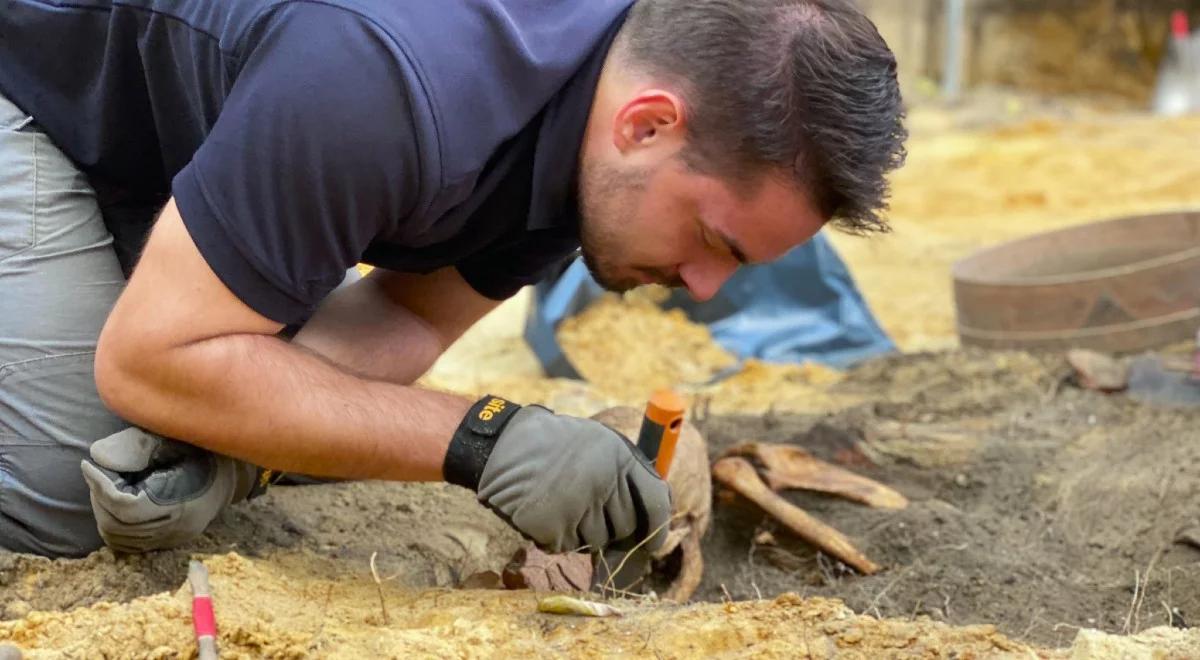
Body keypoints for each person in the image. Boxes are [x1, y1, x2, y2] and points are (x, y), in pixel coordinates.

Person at [0, 0, 907, 558]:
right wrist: (485, 438)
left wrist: (228, 459)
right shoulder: (386, 84)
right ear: (648, 125)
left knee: (173, 445)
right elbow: (150, 361)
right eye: (715, 240)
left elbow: (405, 316)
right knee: (68, 508)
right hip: (32, 93)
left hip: (174, 140)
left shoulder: (593, 145)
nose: (704, 289)